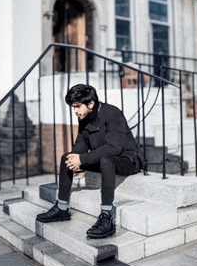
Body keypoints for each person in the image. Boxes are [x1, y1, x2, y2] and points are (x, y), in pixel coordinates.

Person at [37, 84, 143, 239]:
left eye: (77, 106)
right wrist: (75, 157)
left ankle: (107, 216)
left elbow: (113, 148)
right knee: (66, 158)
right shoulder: (85, 118)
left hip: (128, 159)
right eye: (73, 107)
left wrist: (83, 159)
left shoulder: (112, 113)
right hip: (104, 159)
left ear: (91, 103)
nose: (75, 111)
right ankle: (62, 208)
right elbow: (81, 143)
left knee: (107, 160)